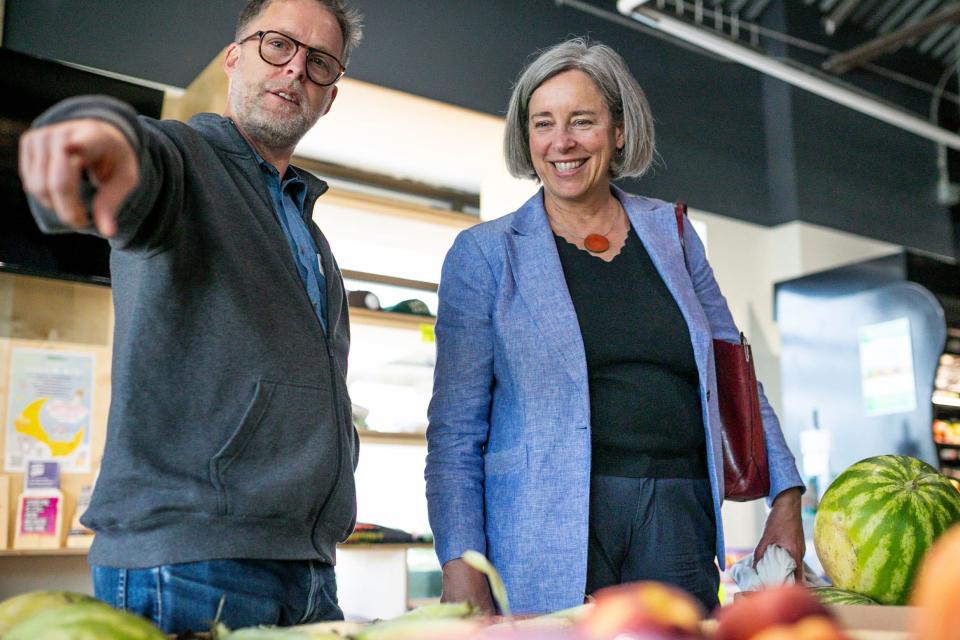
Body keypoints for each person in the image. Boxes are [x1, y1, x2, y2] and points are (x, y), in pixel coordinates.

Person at [424, 37, 805, 615]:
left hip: (679, 515)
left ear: (619, 131)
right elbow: (455, 431)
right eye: (543, 123)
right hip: (542, 527)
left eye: (582, 121)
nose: (562, 142)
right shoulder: (485, 255)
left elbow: (733, 375)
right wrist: (460, 563)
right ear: (526, 139)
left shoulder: (673, 235)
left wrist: (786, 498)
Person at [18, 0, 362, 633]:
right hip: (191, 565)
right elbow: (130, 152)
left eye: (318, 63)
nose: (294, 72)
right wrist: (91, 132)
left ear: (330, 97)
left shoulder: (310, 236)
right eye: (278, 46)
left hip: (307, 567)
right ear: (234, 57)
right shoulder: (183, 160)